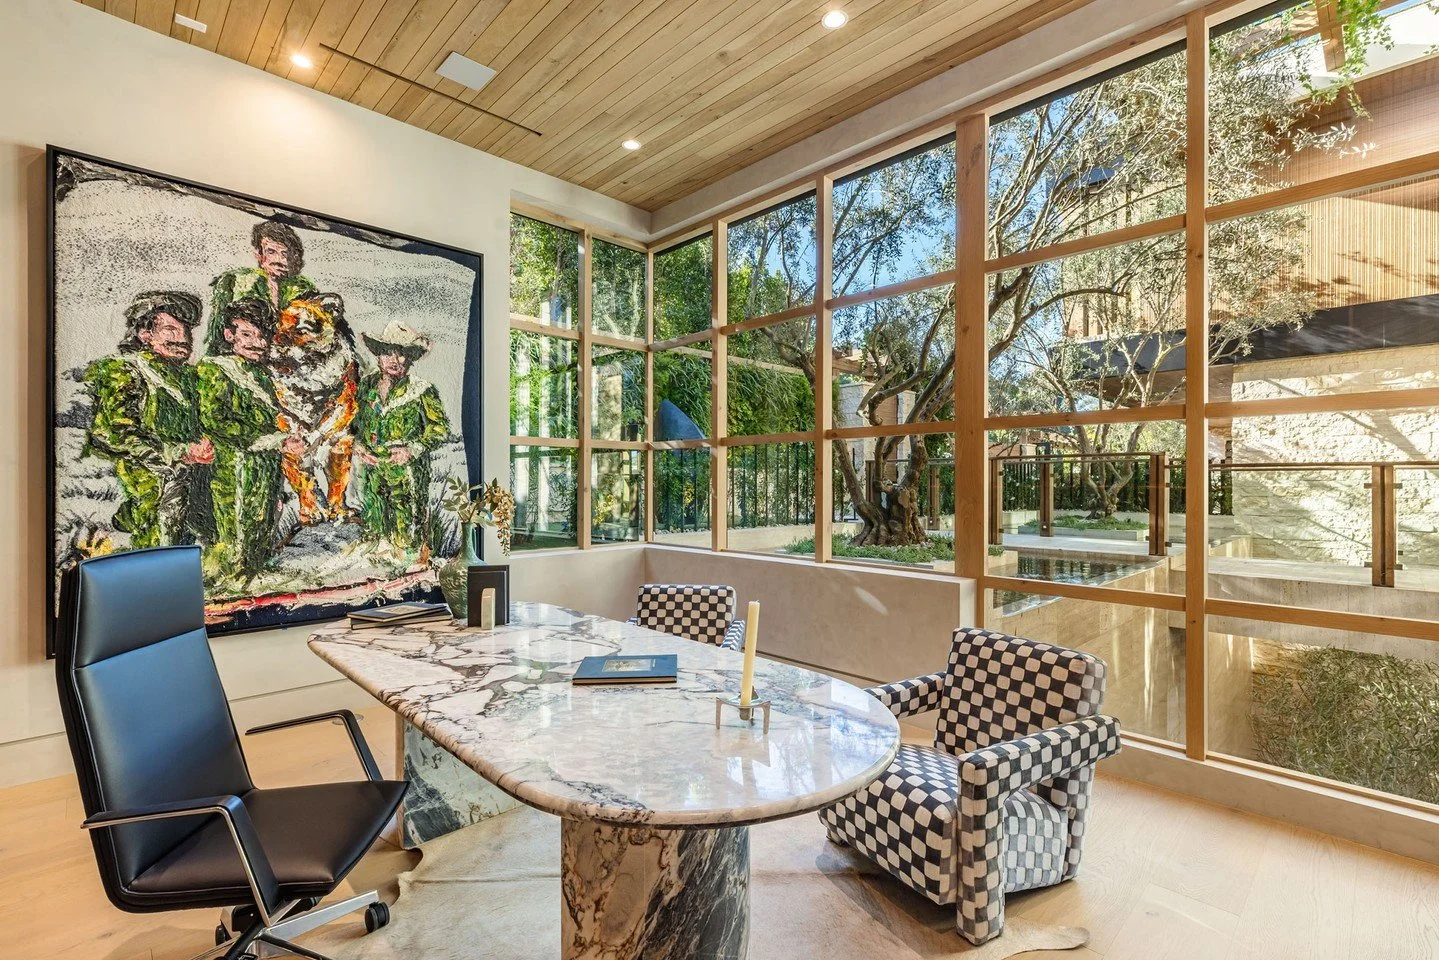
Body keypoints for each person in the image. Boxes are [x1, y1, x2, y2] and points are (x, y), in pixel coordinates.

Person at [83, 291, 214, 548]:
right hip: (144, 477)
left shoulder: (190, 377)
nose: (182, 338)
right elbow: (116, 433)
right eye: (170, 330)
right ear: (145, 335)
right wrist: (179, 453)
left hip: (190, 478)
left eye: (186, 331)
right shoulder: (126, 371)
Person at [196, 297, 301, 581]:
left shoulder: (261, 375)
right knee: (236, 526)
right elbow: (215, 421)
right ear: (229, 335)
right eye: (247, 334)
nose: (257, 342)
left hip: (264, 467)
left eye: (262, 335)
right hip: (234, 467)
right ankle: (231, 579)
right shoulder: (214, 369)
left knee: (262, 521)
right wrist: (275, 441)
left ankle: (253, 576)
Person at [352, 322, 450, 553]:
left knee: (406, 520)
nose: (394, 359)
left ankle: (407, 558)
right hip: (372, 465)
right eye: (387, 352)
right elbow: (355, 422)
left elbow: (439, 429)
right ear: (378, 356)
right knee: (373, 516)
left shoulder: (422, 389)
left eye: (402, 353)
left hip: (406, 468)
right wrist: (358, 446)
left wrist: (411, 449)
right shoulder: (366, 385)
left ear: (411, 358)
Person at [208, 220, 316, 353]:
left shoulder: (303, 289)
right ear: (258, 254)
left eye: (285, 254)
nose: (280, 261)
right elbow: (216, 336)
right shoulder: (235, 283)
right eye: (271, 252)